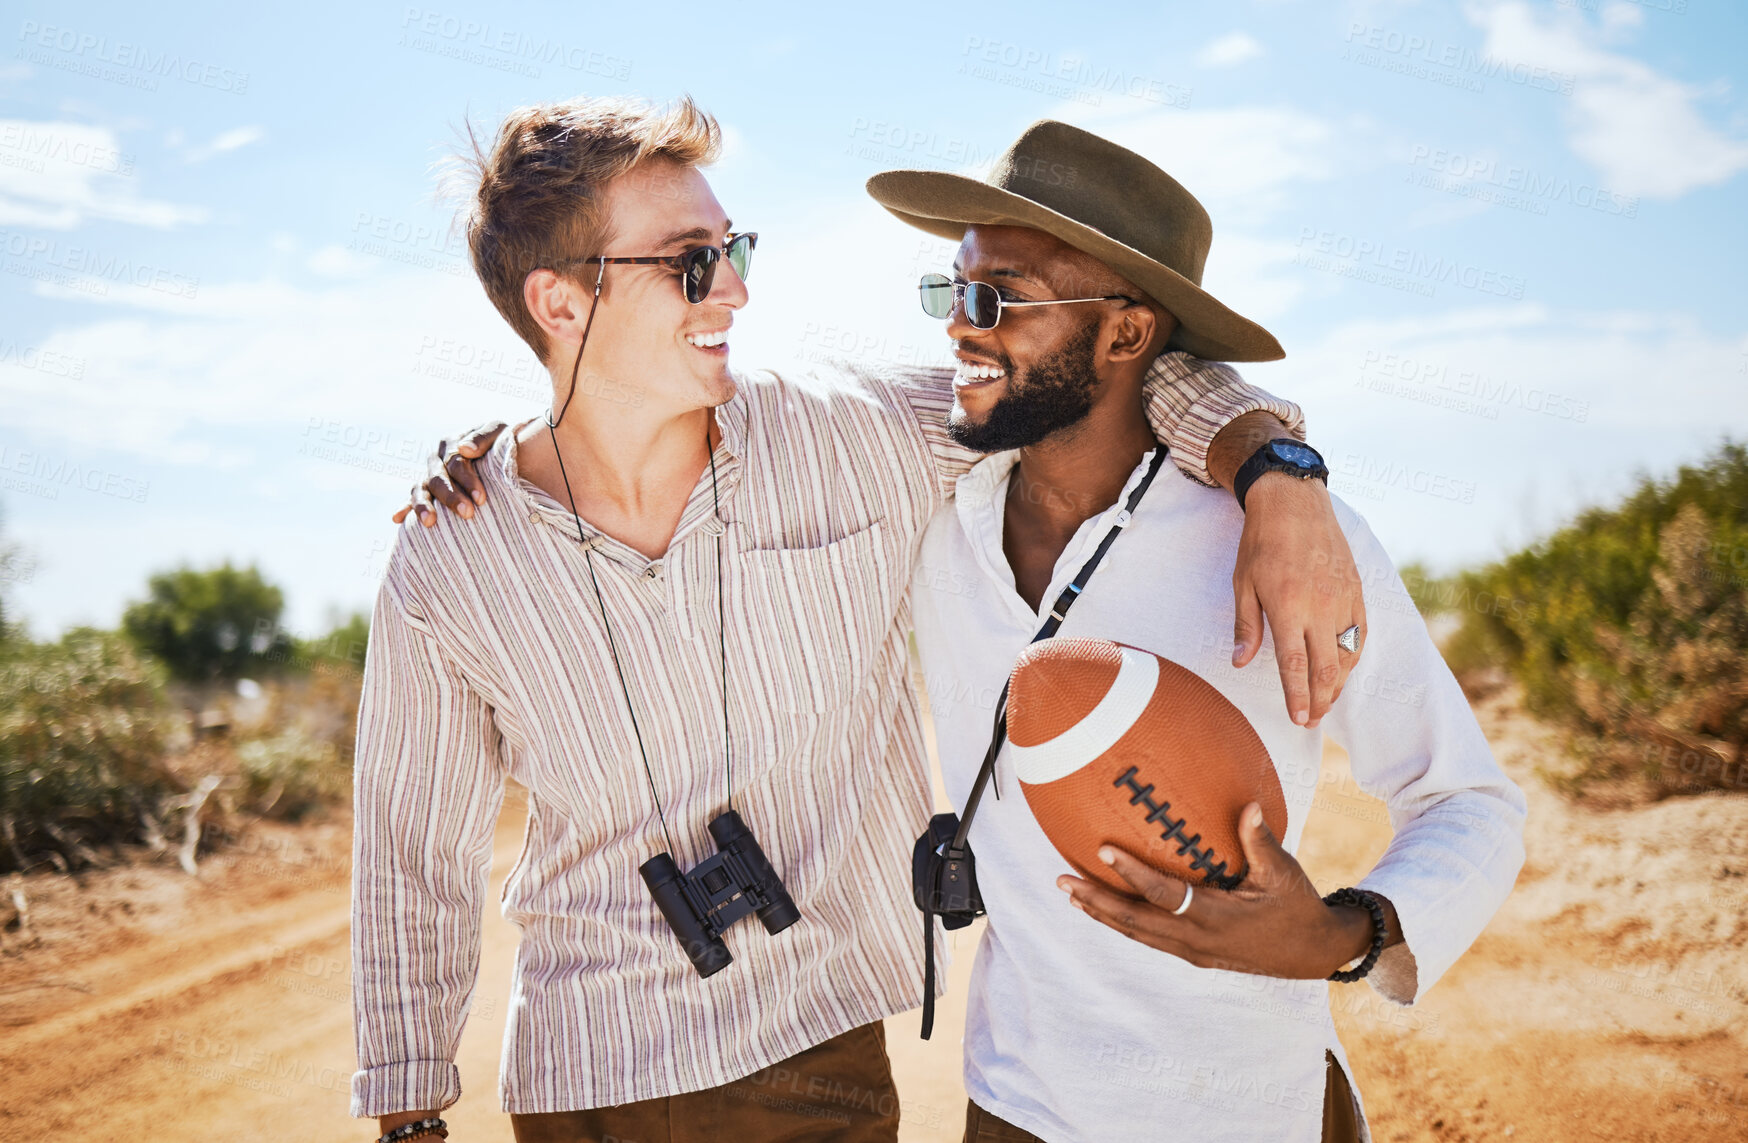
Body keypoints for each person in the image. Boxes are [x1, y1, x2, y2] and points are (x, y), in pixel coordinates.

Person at [360, 96, 1362, 1143]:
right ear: (559, 305)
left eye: (733, 247)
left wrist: (1273, 466)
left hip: (809, 1058)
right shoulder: (449, 551)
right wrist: (405, 1115)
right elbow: (408, 853)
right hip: (580, 1077)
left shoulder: (856, 436)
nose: (737, 289)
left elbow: (1100, 367)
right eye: (691, 262)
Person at [874, 121, 1528, 1142]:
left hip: (1245, 1110)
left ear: (1127, 334)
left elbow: (1466, 798)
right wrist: (1267, 449)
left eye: (993, 298)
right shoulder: (928, 515)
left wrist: (1342, 935)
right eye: (947, 291)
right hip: (1012, 1107)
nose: (958, 326)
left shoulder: (1282, 542)